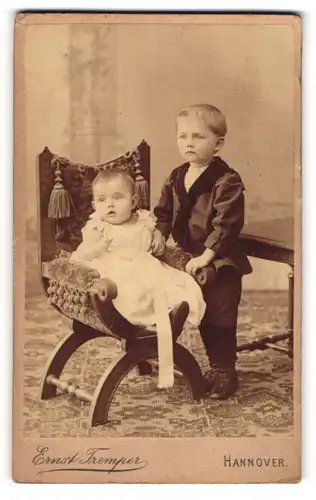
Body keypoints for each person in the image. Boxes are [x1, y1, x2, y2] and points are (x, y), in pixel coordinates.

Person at [153, 104, 252, 399]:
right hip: (189, 258)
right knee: (197, 309)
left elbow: (226, 225)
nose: (189, 143)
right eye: (182, 137)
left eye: (198, 137)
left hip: (219, 260)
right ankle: (201, 362)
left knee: (219, 315)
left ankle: (224, 371)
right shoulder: (176, 176)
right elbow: (163, 212)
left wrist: (206, 257)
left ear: (218, 143)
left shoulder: (226, 180)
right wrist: (160, 234)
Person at [70, 168, 206, 330]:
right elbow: (81, 254)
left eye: (117, 198)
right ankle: (147, 320)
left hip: (147, 266)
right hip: (115, 272)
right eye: (102, 200)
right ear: (94, 205)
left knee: (180, 283)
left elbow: (154, 231)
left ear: (133, 201)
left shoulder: (143, 220)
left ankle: (170, 313)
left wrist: (157, 236)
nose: (110, 204)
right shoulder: (97, 227)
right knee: (132, 292)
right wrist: (95, 249)